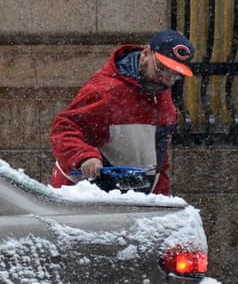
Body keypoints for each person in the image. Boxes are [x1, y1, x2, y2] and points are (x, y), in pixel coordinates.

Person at [49, 29, 195, 195]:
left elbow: (158, 163)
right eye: (162, 69)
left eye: (175, 75)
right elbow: (64, 128)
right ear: (146, 53)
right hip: (84, 197)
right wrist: (85, 156)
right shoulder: (106, 91)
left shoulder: (163, 97)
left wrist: (160, 198)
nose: (166, 79)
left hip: (132, 200)